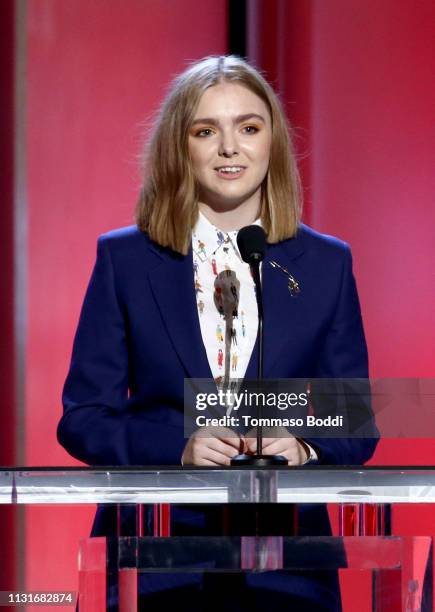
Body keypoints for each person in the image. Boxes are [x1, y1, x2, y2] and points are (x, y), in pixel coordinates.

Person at [58, 55, 378, 611]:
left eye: (249, 128)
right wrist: (177, 450)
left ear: (272, 143)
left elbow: (355, 418)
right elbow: (83, 419)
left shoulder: (327, 263)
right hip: (155, 560)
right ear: (180, 147)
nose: (231, 148)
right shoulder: (127, 259)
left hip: (288, 567)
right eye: (207, 131)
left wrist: (303, 446)